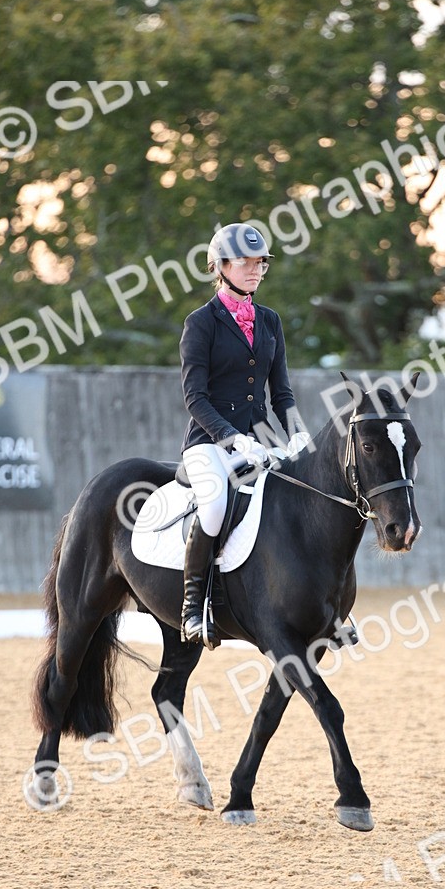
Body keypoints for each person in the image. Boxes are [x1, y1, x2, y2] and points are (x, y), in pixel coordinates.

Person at [179, 222, 310, 646]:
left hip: (263, 440)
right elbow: (195, 398)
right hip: (209, 442)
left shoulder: (270, 321)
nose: (255, 271)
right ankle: (192, 604)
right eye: (246, 263)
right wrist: (230, 439)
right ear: (221, 267)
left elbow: (282, 394)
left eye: (261, 264)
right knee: (216, 503)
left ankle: (320, 604)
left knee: (300, 500)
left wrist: (296, 435)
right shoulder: (201, 323)